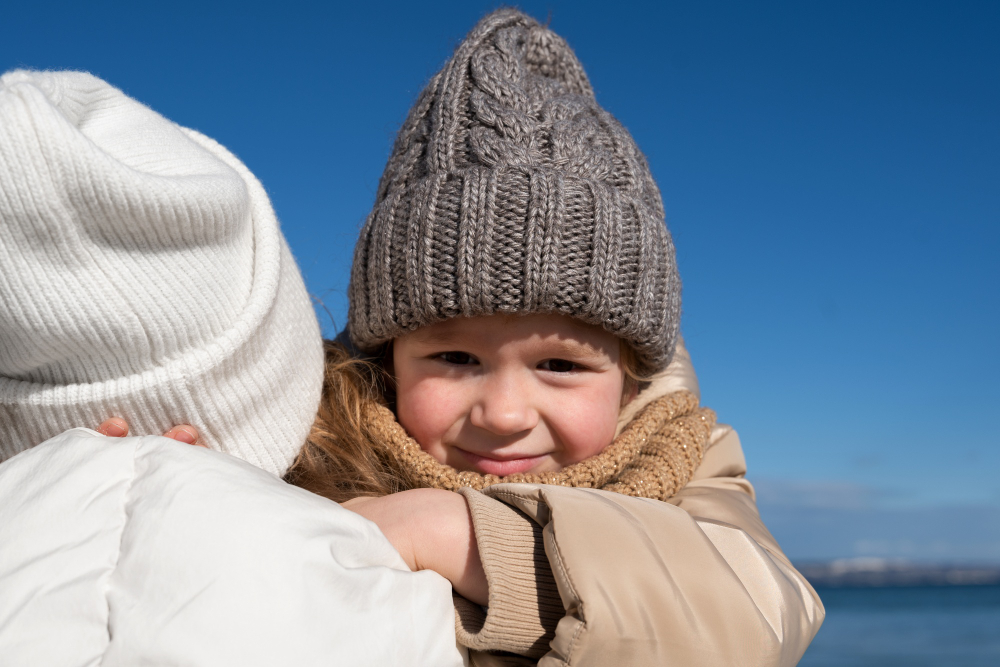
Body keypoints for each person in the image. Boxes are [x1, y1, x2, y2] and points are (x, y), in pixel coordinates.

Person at [128, 9, 826, 666]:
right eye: (456, 358)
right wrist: (163, 481)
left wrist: (459, 533)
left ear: (631, 378)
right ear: (387, 357)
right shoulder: (314, 446)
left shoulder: (679, 458)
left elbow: (759, 610)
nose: (505, 412)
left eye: (559, 363)